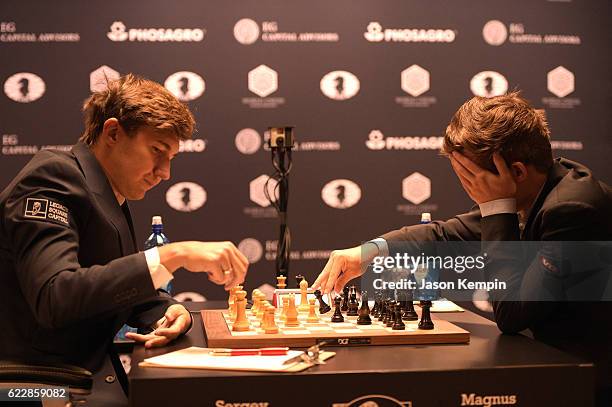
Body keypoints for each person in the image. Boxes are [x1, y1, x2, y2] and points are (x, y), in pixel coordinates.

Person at [312, 91, 612, 404]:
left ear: (518, 172)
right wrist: (369, 252)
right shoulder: (536, 191)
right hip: (553, 368)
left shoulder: (572, 210)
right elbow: (443, 235)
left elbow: (511, 313)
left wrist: (497, 207)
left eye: (469, 177)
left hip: (587, 384)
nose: (466, 187)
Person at [0, 74, 249, 395]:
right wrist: (173, 255)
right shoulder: (52, 179)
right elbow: (56, 297)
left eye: (170, 158)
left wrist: (167, 310)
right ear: (113, 132)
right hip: (38, 382)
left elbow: (106, 287)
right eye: (157, 150)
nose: (165, 172)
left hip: (85, 368)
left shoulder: (105, 192)